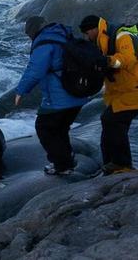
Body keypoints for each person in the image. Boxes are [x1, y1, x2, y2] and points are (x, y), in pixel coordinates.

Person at [79, 15, 138, 175]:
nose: (86, 37)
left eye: (87, 33)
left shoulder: (122, 36)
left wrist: (107, 61)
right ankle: (111, 163)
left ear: (94, 29)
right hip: (124, 92)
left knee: (112, 121)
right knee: (111, 122)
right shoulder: (102, 40)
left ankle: (122, 164)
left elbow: (128, 60)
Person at [15, 16, 89, 175]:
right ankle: (67, 159)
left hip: (60, 97)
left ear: (33, 31)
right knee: (60, 129)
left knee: (44, 128)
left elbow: (35, 71)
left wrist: (21, 91)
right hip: (78, 93)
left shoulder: (44, 43)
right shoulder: (63, 35)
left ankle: (61, 165)